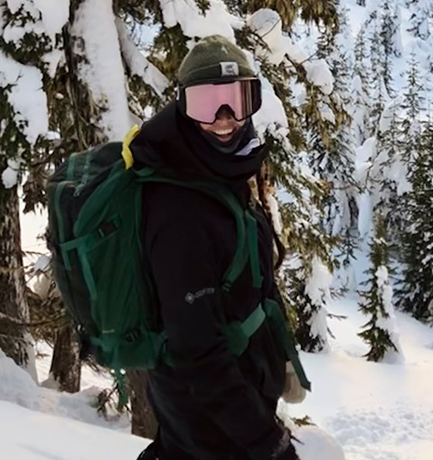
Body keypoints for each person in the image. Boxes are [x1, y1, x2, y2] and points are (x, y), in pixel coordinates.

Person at [130, 35, 303, 460]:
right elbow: (198, 354)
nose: (224, 118)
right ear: (183, 108)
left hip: (226, 409)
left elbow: (250, 278)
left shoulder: (215, 171)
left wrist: (279, 355)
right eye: (207, 103)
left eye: (237, 100)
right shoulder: (179, 211)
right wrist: (269, 444)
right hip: (209, 422)